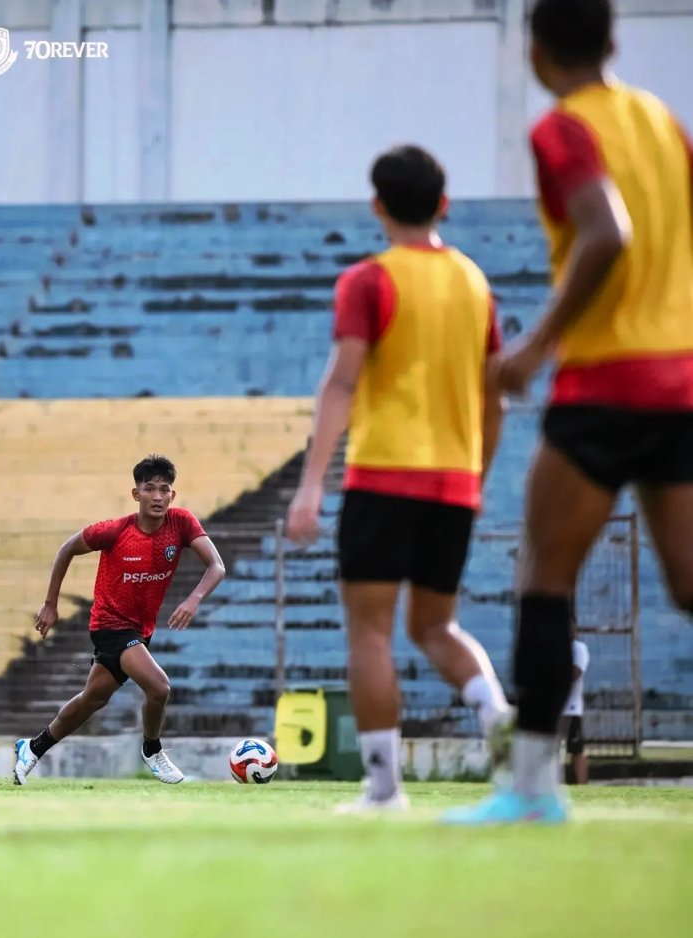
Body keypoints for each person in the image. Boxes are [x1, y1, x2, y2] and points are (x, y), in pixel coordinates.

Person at [446, 0, 693, 824]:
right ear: (615, 42)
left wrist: (535, 347)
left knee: (543, 581)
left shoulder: (561, 130)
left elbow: (607, 232)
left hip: (605, 383)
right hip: (683, 380)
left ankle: (531, 792)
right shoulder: (662, 121)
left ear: (536, 52)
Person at [286, 144, 511, 812]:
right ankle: (496, 713)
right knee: (438, 626)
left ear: (378, 205)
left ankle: (384, 787)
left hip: (384, 477)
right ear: (444, 203)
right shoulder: (475, 282)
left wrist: (310, 485)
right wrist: (477, 476)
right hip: (454, 482)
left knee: (371, 633)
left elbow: (342, 383)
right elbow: (494, 397)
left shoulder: (368, 280)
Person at [14, 454, 225, 786]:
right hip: (109, 625)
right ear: (136, 494)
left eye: (164, 489)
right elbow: (67, 548)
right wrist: (50, 604)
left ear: (173, 495)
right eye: (150, 488)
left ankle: (33, 747)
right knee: (159, 688)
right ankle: (152, 749)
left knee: (93, 699)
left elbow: (217, 566)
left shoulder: (181, 523)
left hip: (140, 630)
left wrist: (194, 598)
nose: (157, 496)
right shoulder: (114, 531)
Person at [561, 627, 590, 785]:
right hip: (554, 709)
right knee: (551, 750)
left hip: (571, 709)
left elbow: (576, 672)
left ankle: (582, 785)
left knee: (576, 749)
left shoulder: (579, 649)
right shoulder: (553, 648)